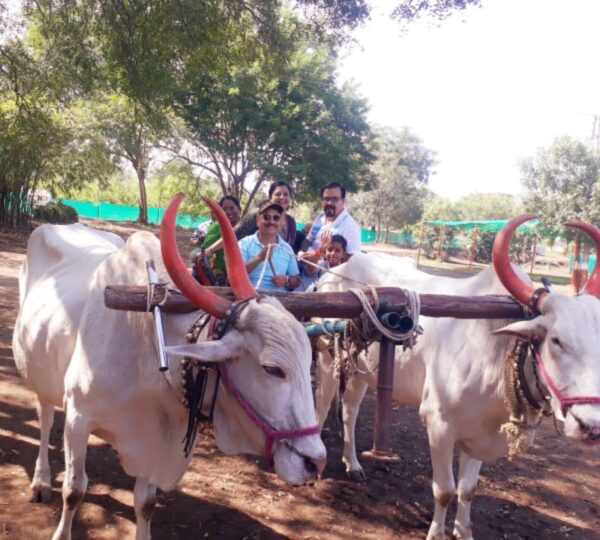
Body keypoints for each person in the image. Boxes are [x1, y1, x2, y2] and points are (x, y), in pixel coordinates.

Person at [204, 181, 298, 258]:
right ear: (270, 197)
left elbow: (289, 250)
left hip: (279, 271)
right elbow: (233, 235)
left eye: (286, 194)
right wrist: (210, 250)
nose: (282, 197)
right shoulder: (256, 215)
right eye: (277, 194)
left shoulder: (291, 222)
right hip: (252, 266)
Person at [238, 200, 301, 292]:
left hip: (280, 299)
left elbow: (297, 280)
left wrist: (287, 280)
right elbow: (236, 275)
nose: (271, 221)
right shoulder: (244, 244)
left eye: (276, 218)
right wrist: (259, 259)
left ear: (280, 223)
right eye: (267, 217)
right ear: (257, 221)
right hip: (250, 297)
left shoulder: (286, 248)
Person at [301, 182, 361, 264]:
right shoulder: (320, 218)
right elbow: (307, 241)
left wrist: (318, 255)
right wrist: (304, 253)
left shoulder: (350, 227)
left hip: (328, 271)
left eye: (334, 199)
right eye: (326, 199)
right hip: (307, 266)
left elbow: (351, 261)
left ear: (343, 201)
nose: (329, 203)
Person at [191, 196, 241, 284]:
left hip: (243, 271)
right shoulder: (216, 227)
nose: (228, 211)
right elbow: (205, 251)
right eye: (224, 209)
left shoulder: (248, 225)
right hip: (218, 273)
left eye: (232, 208)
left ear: (239, 209)